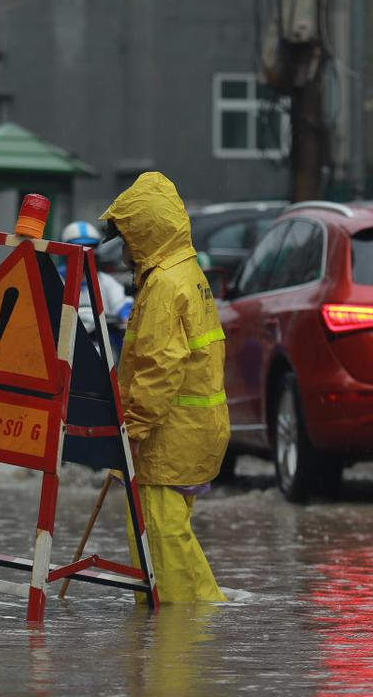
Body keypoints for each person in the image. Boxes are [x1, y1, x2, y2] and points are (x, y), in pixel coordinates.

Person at [100, 171, 229, 603]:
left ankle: (176, 641)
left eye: (127, 235)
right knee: (172, 535)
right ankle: (208, 613)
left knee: (159, 540)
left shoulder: (163, 285)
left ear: (145, 230)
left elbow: (160, 367)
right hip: (192, 430)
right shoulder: (187, 272)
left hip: (167, 436)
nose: (123, 247)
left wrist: (133, 431)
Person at [60, 221, 128, 331]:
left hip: (100, 344)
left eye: (90, 248)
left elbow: (122, 304)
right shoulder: (55, 279)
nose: (84, 252)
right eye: (78, 247)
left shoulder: (105, 281)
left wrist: (125, 316)